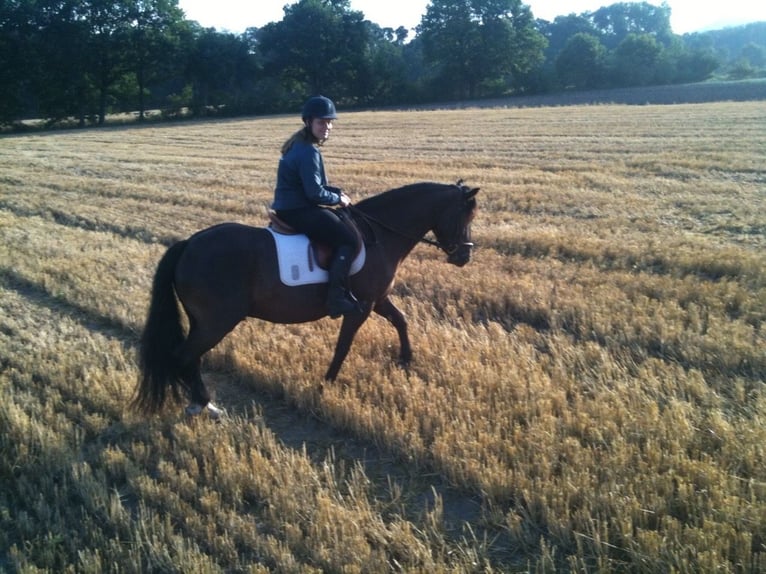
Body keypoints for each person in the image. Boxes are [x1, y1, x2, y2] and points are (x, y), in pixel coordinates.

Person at [272, 95, 360, 318]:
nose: (327, 127)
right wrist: (338, 199)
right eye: (322, 122)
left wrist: (337, 192)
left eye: (330, 122)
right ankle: (336, 298)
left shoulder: (300, 145)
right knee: (348, 240)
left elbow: (317, 186)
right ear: (308, 122)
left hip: (289, 207)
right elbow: (314, 193)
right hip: (298, 210)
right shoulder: (308, 151)